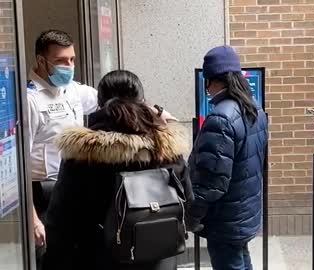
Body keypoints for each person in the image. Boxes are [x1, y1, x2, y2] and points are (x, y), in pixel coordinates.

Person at [43, 70, 191, 270]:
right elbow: (187, 200)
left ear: (100, 103)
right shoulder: (165, 146)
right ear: (144, 101)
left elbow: (61, 218)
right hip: (158, 257)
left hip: (98, 258)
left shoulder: (82, 151)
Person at [187, 46, 268, 270]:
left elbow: (211, 181)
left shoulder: (220, 118)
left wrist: (192, 215)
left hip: (225, 219)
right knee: (242, 260)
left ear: (212, 80)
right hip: (244, 212)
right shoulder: (256, 111)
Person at [26, 29, 97, 267]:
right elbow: (17, 167)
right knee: (50, 261)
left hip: (74, 190)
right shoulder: (29, 100)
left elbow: (115, 98)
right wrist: (32, 219)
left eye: (72, 60)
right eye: (60, 61)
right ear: (41, 60)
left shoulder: (73, 90)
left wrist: (157, 112)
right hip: (44, 195)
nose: (68, 66)